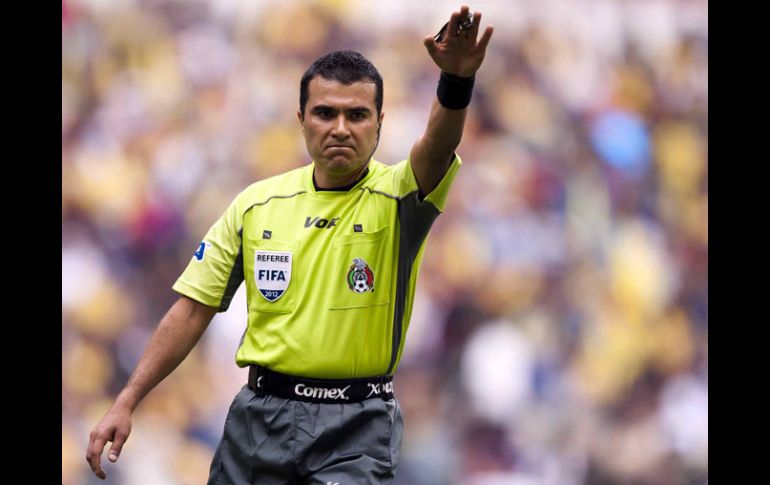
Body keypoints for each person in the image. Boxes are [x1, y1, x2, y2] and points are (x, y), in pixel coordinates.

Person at [86, 5, 493, 483]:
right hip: (260, 419)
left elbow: (438, 145)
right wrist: (127, 400)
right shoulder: (256, 205)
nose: (340, 128)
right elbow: (192, 309)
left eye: (357, 115)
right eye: (325, 113)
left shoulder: (402, 197)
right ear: (301, 119)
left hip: (356, 425)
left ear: (380, 122)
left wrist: (456, 81)